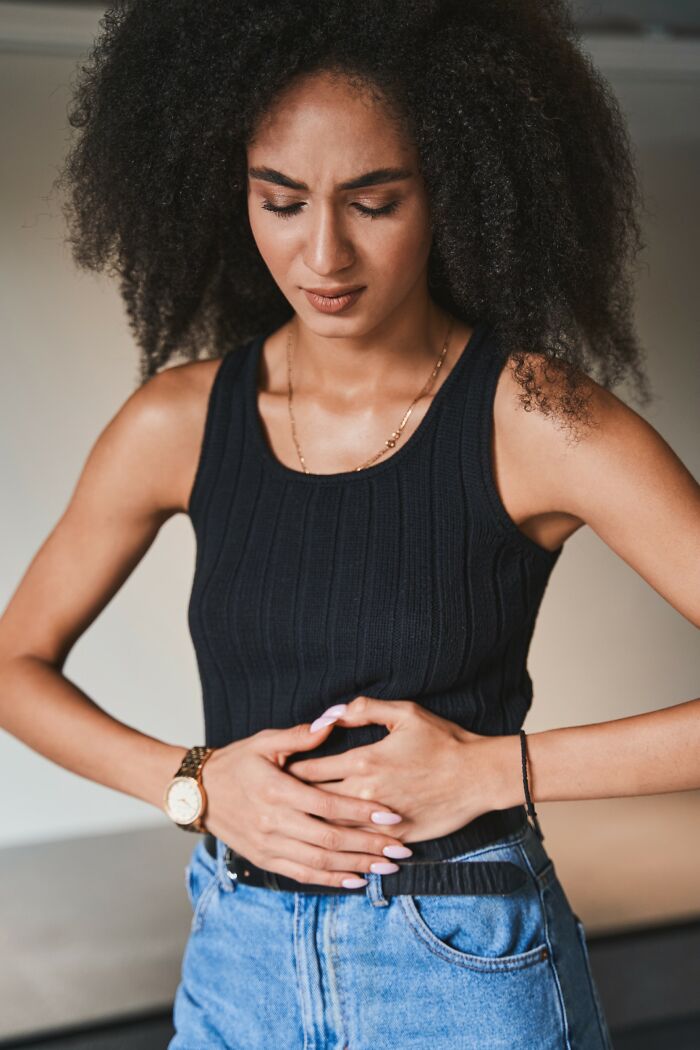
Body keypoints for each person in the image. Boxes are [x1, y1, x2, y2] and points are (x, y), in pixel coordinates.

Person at [1, 1, 698, 1047]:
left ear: (456, 186)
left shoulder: (537, 420)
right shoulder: (175, 422)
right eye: (279, 200)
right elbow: (14, 662)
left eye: (374, 202)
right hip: (236, 960)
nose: (322, 253)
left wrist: (496, 767)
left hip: (459, 966)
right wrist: (192, 782)